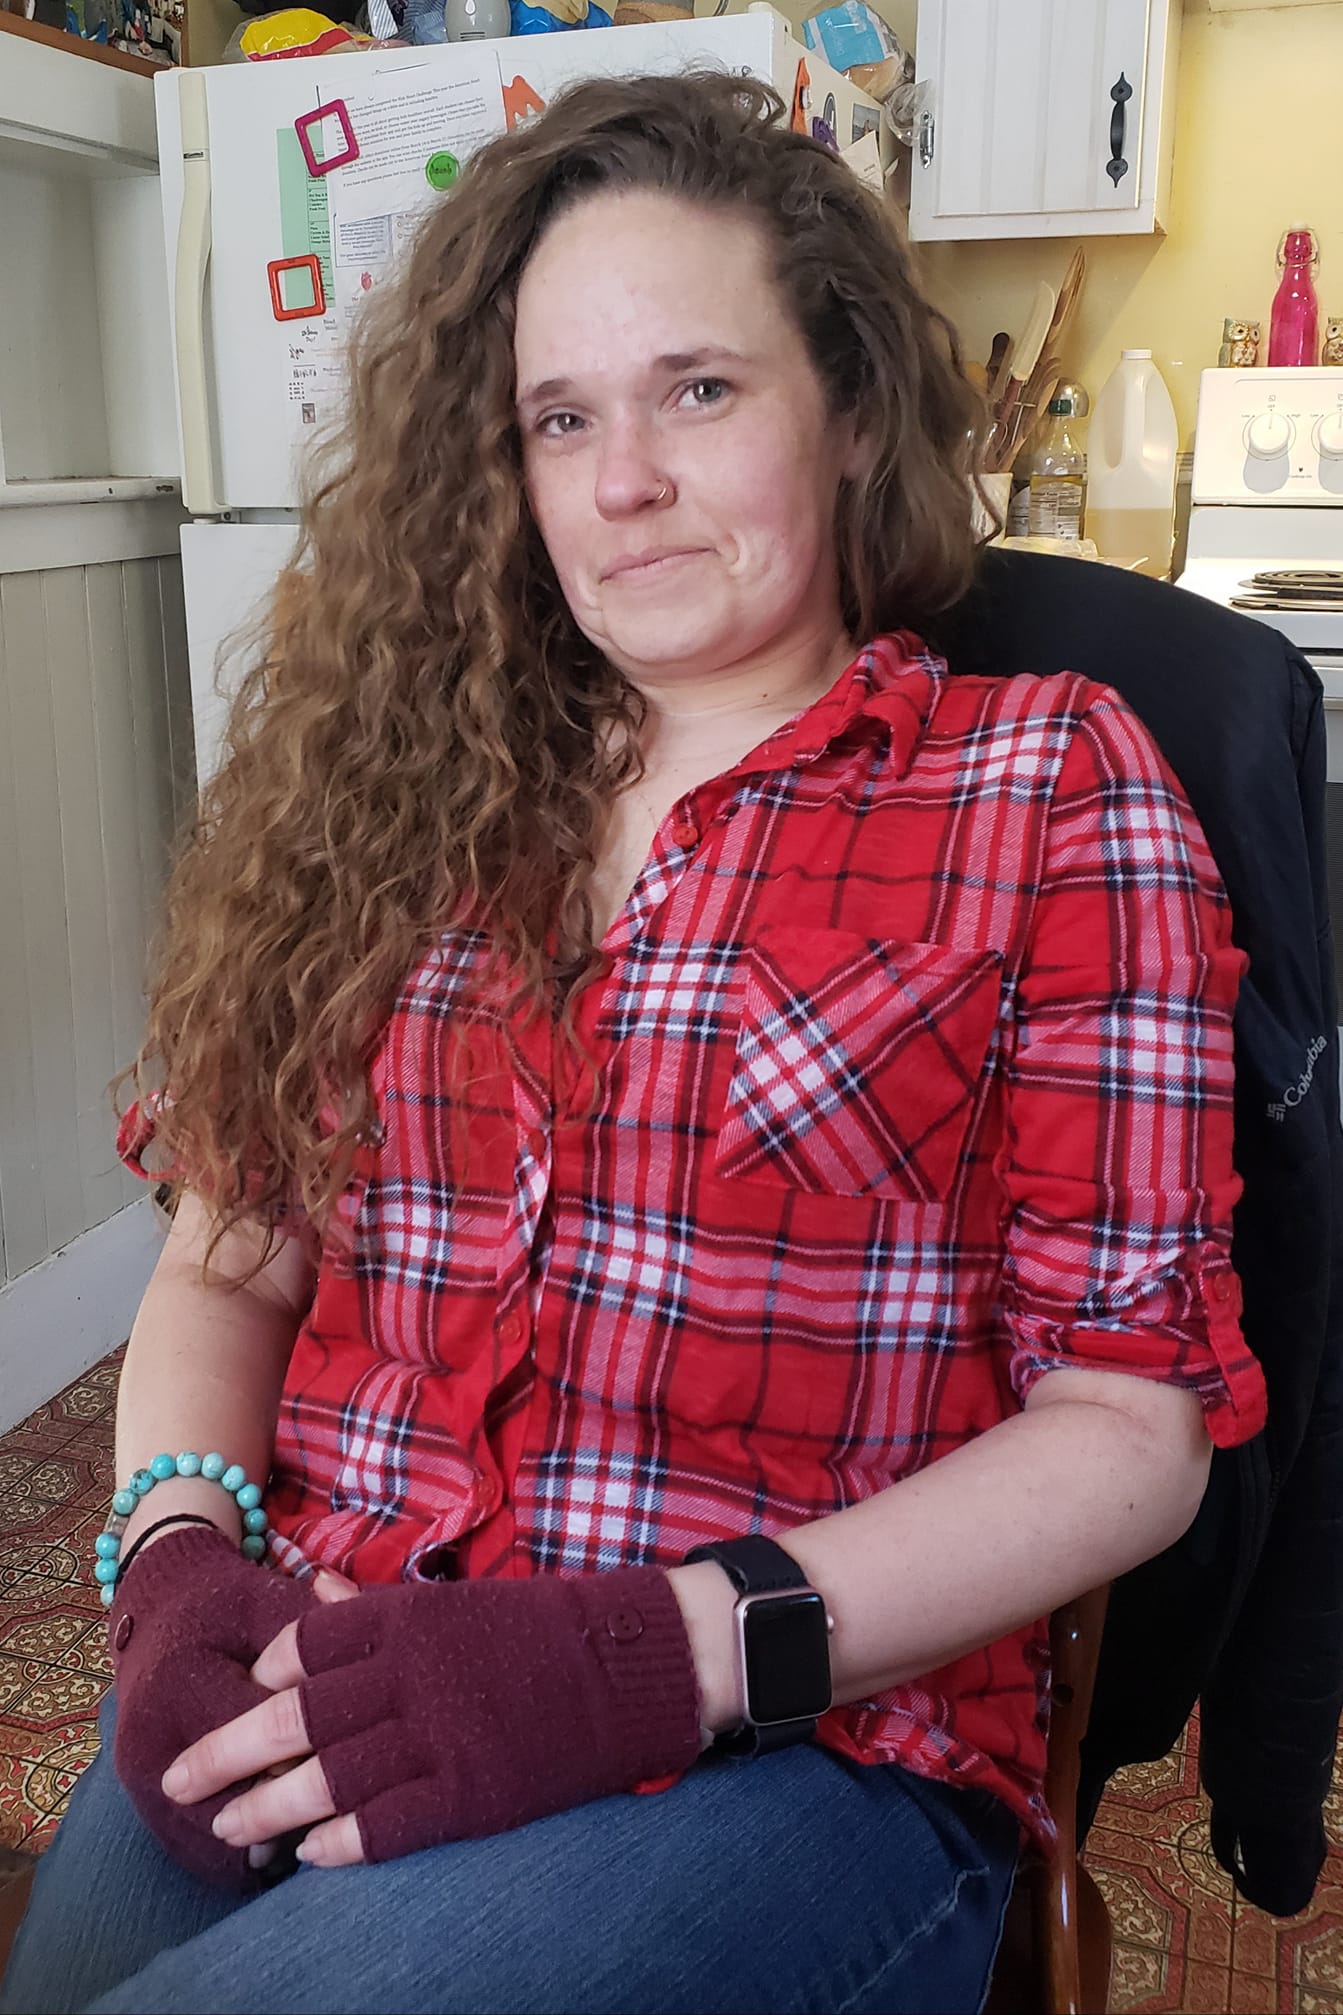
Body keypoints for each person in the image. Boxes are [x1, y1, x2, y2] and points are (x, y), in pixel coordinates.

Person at [0, 70, 1266, 2015]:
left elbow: (1129, 1430)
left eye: (700, 390)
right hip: (329, 1654)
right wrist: (175, 1554)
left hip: (804, 1747)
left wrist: (648, 1656)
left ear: (851, 413)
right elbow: (229, 1257)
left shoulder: (1046, 788)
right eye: (561, 418)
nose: (623, 482)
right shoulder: (386, 795)